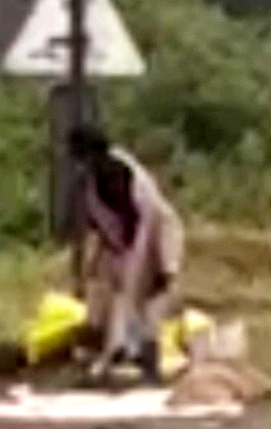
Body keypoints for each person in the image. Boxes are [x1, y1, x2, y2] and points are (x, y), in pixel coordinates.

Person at [68, 124, 185, 386]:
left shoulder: (123, 175)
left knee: (148, 304)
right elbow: (99, 229)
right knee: (101, 300)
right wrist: (90, 269)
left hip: (154, 238)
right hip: (122, 244)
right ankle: (104, 361)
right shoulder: (92, 183)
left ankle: (147, 367)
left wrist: (163, 267)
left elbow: (146, 225)